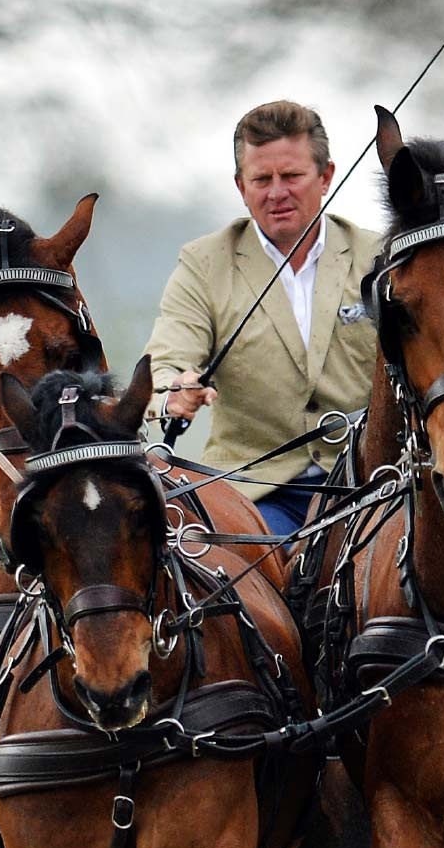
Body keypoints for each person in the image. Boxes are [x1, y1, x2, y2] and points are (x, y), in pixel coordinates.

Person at [146, 99, 382, 536]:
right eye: (262, 179)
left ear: (326, 176)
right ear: (240, 186)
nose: (277, 193)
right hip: (252, 495)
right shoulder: (203, 263)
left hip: (374, 486)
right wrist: (172, 395)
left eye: (292, 176)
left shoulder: (381, 257)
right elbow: (165, 364)